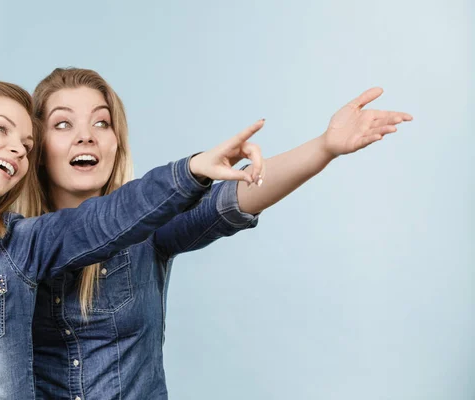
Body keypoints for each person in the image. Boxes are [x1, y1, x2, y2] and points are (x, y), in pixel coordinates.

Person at [23, 68, 413, 400]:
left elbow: (231, 199)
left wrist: (324, 147)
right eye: (62, 123)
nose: (86, 135)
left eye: (101, 122)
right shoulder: (13, 244)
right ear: (37, 146)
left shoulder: (150, 231)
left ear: (115, 142)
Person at [0, 81, 264, 400]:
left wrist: (193, 170)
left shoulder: (20, 244)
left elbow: (107, 218)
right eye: (1, 129)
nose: (17, 149)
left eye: (27, 146)